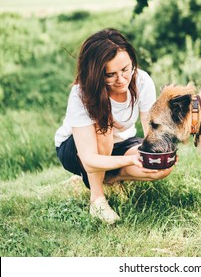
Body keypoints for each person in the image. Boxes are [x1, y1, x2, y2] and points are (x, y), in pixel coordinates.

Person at [54, 28, 174, 224]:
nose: (121, 80)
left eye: (126, 69)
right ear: (96, 73)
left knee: (160, 169)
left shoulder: (142, 81)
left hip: (120, 144)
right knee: (105, 128)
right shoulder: (81, 93)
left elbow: (149, 134)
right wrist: (130, 161)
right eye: (110, 74)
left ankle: (108, 179)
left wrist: (159, 156)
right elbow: (90, 159)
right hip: (76, 150)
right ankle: (97, 199)